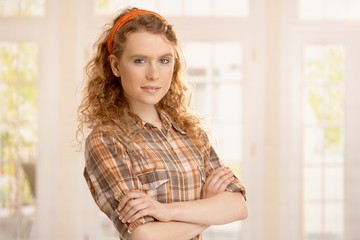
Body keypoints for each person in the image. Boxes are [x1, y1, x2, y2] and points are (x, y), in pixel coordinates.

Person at [77, 7, 247, 240]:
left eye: (164, 60)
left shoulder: (190, 132)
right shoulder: (106, 140)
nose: (154, 74)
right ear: (116, 66)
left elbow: (238, 206)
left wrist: (165, 211)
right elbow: (145, 236)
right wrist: (207, 209)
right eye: (139, 61)